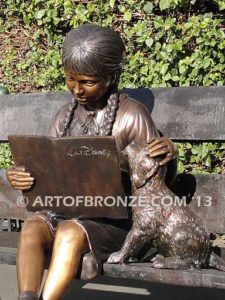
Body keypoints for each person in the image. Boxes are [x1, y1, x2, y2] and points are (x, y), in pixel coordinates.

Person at [6, 24, 177, 300]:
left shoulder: (132, 115)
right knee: (33, 227)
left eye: (87, 82)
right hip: (64, 213)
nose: (77, 90)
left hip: (115, 223)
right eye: (70, 80)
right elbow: (47, 166)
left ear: (110, 78)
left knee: (69, 233)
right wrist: (24, 175)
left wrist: (169, 156)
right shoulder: (65, 116)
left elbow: (155, 184)